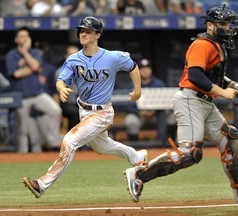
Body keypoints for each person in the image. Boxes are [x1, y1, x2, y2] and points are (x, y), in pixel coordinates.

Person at [123, 4, 238, 208]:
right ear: (210, 25)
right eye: (223, 24)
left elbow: (216, 76)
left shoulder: (218, 45)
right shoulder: (203, 44)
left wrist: (237, 86)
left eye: (228, 24)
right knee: (190, 153)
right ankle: (139, 173)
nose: (227, 28)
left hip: (204, 102)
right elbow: (195, 75)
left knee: (229, 138)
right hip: (190, 100)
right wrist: (223, 92)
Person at [22, 16, 148, 198]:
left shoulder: (111, 57)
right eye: (81, 31)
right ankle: (137, 158)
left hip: (102, 112)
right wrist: (61, 87)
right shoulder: (74, 59)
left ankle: (41, 184)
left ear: (98, 34)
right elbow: (61, 80)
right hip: (84, 110)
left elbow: (133, 66)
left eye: (88, 31)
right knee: (103, 147)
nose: (83, 34)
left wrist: (137, 90)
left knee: (69, 141)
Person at [5, 27, 62, 153]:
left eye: (27, 36)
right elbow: (16, 74)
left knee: (55, 110)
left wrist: (25, 53)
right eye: (22, 36)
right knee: (22, 130)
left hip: (38, 94)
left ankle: (52, 141)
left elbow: (36, 66)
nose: (25, 38)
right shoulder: (12, 55)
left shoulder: (35, 52)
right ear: (16, 39)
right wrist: (31, 69)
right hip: (21, 97)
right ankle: (22, 154)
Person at [124, 58, 165, 141]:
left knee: (169, 117)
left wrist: (154, 111)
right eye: (142, 68)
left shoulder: (159, 84)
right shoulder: (131, 85)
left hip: (156, 115)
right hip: (138, 115)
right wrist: (139, 112)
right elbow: (126, 104)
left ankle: (164, 143)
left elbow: (165, 103)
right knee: (131, 121)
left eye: (147, 68)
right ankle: (134, 145)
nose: (145, 70)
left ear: (151, 70)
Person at [54, 44, 80, 131]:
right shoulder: (60, 72)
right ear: (66, 56)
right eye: (70, 54)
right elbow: (56, 94)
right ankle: (73, 141)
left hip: (81, 102)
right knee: (75, 112)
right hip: (66, 104)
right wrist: (58, 111)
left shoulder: (85, 70)